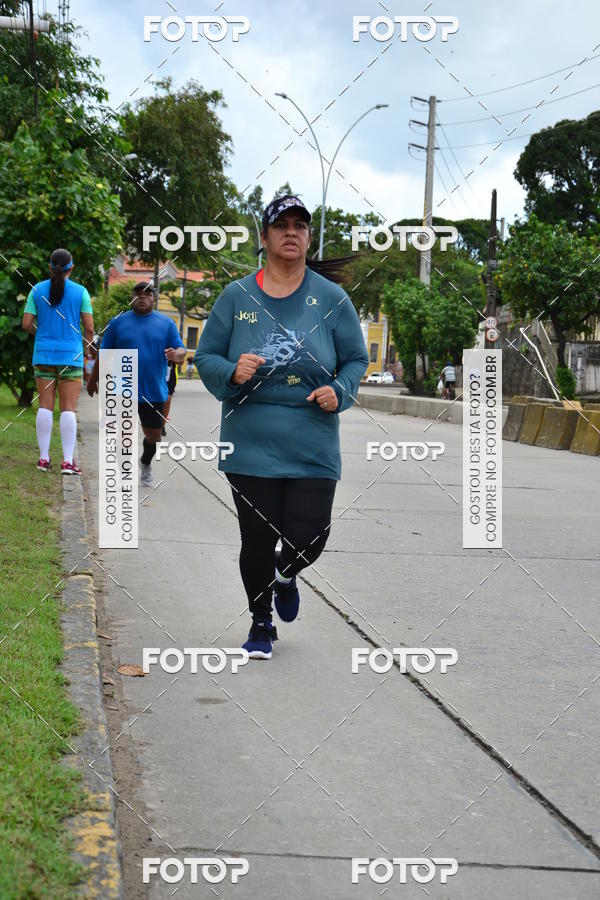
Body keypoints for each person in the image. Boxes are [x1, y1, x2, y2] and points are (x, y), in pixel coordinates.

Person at [195, 194, 369, 659]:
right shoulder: (236, 296)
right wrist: (231, 371)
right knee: (257, 537)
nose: (292, 232)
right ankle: (260, 622)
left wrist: (341, 390)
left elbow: (356, 359)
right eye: (282, 225)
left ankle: (285, 574)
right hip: (250, 441)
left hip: (312, 439)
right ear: (265, 237)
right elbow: (205, 356)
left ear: (309, 237)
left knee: (311, 536)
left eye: (301, 226)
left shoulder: (331, 299)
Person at [86, 282, 186, 486]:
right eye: (138, 293)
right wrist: (93, 379)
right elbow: (104, 354)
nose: (142, 297)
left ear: (154, 298)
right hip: (124, 388)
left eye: (147, 294)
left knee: (154, 437)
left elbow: (181, 351)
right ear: (132, 298)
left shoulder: (166, 324)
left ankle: (145, 463)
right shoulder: (118, 323)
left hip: (154, 390)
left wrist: (177, 355)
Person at [21, 248, 94, 475]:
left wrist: (40, 334)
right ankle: (68, 462)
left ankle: (43, 459)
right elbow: (89, 329)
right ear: (71, 268)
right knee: (68, 409)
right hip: (70, 357)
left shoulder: (36, 290)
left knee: (44, 405)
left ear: (50, 268)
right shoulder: (81, 292)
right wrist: (84, 351)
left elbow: (26, 324)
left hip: (43, 355)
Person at [161, 356, 178, 436]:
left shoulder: (172, 343)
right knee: (155, 402)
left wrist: (173, 356)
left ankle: (162, 426)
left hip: (170, 373)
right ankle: (154, 423)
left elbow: (181, 360)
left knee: (167, 400)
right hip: (155, 371)